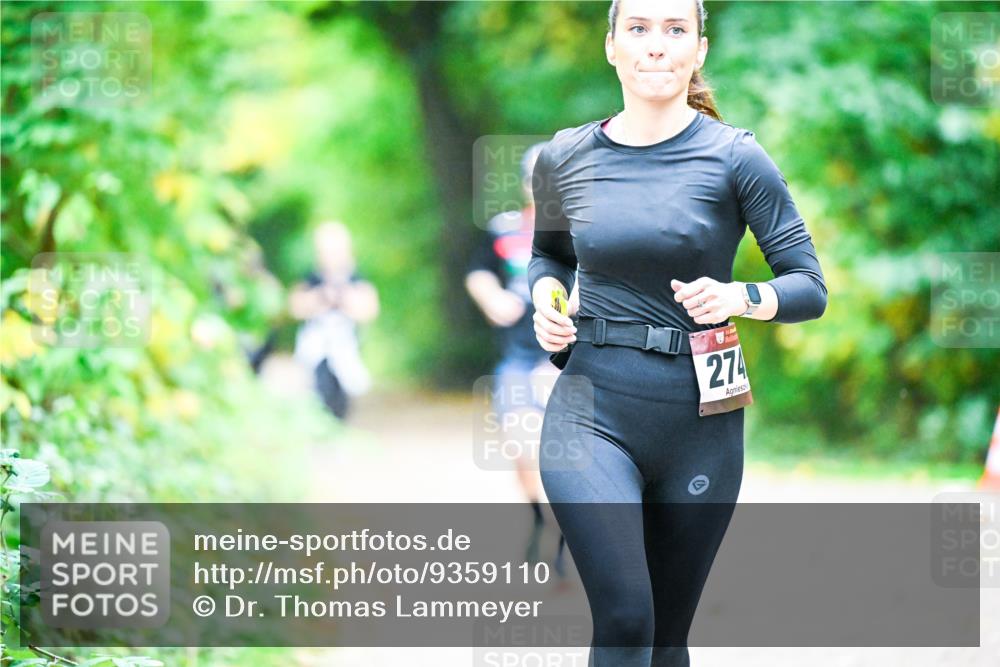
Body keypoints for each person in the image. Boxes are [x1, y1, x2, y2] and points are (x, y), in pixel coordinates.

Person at [527, 0, 827, 665]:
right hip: (592, 408)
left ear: (699, 49)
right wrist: (548, 301)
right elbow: (550, 257)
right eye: (637, 28)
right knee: (628, 615)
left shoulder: (736, 158)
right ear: (611, 47)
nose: (655, 45)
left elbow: (809, 286)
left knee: (665, 636)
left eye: (674, 30)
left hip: (702, 422)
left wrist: (741, 296)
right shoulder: (565, 155)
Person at [465, 142, 574, 576]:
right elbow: (476, 272)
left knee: (565, 458)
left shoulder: (580, 233)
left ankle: (565, 544)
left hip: (564, 359)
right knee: (520, 448)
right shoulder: (502, 230)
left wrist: (576, 299)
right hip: (515, 355)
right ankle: (536, 520)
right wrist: (490, 297)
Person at [290, 221, 379, 420]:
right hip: (317, 348)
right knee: (317, 391)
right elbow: (295, 306)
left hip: (346, 345)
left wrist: (345, 299)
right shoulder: (312, 278)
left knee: (344, 392)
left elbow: (369, 308)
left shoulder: (355, 278)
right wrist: (320, 298)